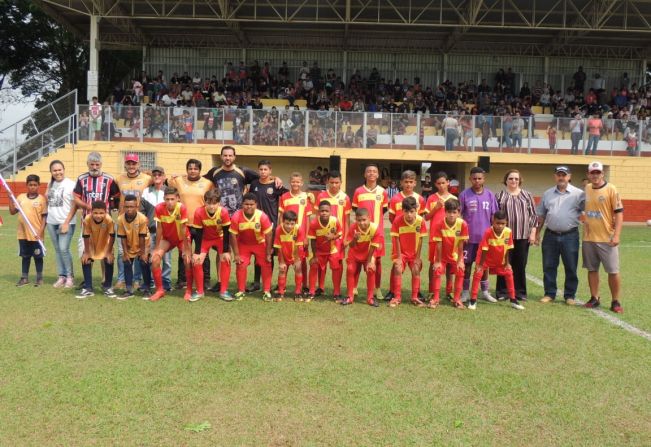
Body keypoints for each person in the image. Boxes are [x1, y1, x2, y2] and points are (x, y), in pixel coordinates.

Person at [535, 166, 585, 305]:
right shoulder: (548, 194)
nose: (561, 177)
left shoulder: (579, 193)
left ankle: (570, 295)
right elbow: (541, 215)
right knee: (549, 266)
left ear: (569, 176)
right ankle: (549, 293)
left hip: (570, 236)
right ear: (555, 177)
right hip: (550, 235)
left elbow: (588, 210)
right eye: (559, 175)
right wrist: (537, 233)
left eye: (564, 175)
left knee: (570, 266)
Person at [582, 161, 624, 313]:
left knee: (613, 271)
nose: (595, 175)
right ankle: (594, 298)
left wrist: (616, 235)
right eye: (592, 173)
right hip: (588, 238)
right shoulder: (587, 188)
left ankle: (616, 301)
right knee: (592, 270)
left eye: (597, 172)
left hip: (607, 239)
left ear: (602, 174)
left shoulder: (611, 189)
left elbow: (619, 214)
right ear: (588, 174)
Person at [168, 159, 213, 290]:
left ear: (200, 170)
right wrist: (175, 175)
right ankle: (182, 280)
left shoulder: (207, 183)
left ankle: (205, 280)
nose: (193, 171)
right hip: (184, 223)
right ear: (186, 169)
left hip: (200, 224)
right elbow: (161, 180)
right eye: (190, 168)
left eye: (195, 169)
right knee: (183, 252)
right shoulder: (178, 181)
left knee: (203, 252)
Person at [468, 210, 525, 311]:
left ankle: (513, 300)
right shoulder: (488, 232)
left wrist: (507, 263)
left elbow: (508, 248)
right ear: (493, 221)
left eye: (502, 223)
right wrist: (480, 265)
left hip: (499, 257)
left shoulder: (508, 232)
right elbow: (484, 249)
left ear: (506, 222)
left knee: (509, 272)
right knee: (478, 274)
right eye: (497, 223)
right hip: (484, 257)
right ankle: (473, 300)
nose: (500, 226)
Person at [495, 170, 537, 301]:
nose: (513, 181)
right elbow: (496, 216)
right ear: (506, 180)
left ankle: (520, 292)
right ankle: (502, 292)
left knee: (520, 265)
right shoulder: (500, 195)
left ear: (520, 180)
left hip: (523, 236)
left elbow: (533, 215)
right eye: (511, 178)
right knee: (503, 264)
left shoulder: (527, 195)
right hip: (505, 237)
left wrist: (533, 233)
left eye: (516, 179)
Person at [459, 167, 499, 303]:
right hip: (469, 238)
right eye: (474, 178)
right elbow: (459, 216)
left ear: (484, 179)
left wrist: (493, 234)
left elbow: (494, 216)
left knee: (484, 265)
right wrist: (462, 235)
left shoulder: (490, 195)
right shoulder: (464, 195)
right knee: (467, 264)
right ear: (470, 179)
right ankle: (465, 292)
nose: (477, 181)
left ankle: (485, 292)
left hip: (485, 239)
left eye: (479, 178)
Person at [248, 160, 288, 292]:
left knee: (269, 254)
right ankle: (256, 282)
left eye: (266, 169)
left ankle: (268, 282)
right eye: (261, 169)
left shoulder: (276, 185)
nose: (263, 172)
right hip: (256, 224)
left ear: (270, 171)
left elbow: (289, 195)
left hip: (271, 225)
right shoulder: (254, 184)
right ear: (258, 170)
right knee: (257, 254)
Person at [387, 170, 426, 301]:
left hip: (413, 237)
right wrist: (399, 228)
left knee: (416, 266)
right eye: (406, 182)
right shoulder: (395, 199)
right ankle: (392, 291)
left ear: (415, 183)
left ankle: (417, 292)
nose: (408, 184)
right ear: (401, 183)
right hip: (399, 236)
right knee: (396, 265)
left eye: (411, 182)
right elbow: (392, 218)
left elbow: (421, 219)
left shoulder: (420, 199)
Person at [115, 153, 152, 289]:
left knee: (137, 251)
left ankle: (136, 279)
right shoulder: (119, 179)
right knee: (121, 252)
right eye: (129, 163)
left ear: (139, 164)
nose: (131, 166)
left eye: (134, 163)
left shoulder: (147, 178)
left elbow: (161, 179)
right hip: (122, 220)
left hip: (139, 221)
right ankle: (121, 279)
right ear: (125, 164)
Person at [149, 187, 192, 302]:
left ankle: (188, 290)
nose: (170, 202)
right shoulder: (159, 208)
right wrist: (156, 248)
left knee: (187, 260)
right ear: (164, 198)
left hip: (181, 239)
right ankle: (160, 290)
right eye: (167, 199)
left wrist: (187, 250)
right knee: (155, 259)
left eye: (172, 199)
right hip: (167, 238)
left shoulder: (182, 208)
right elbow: (159, 229)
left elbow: (183, 229)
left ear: (177, 198)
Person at [352, 164, 389, 300]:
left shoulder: (383, 192)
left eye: (374, 171)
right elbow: (356, 210)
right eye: (369, 171)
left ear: (378, 175)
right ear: (365, 174)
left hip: (376, 233)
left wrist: (375, 224)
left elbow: (383, 210)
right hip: (361, 232)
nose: (371, 173)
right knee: (356, 260)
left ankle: (377, 289)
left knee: (377, 261)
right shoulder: (358, 191)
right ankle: (354, 287)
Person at [313, 170, 351, 297]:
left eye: (337, 182)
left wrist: (346, 237)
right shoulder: (321, 196)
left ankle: (337, 290)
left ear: (341, 182)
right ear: (327, 182)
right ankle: (321, 287)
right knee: (320, 262)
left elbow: (346, 220)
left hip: (338, 237)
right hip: (322, 236)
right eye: (331, 182)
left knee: (337, 263)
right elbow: (317, 216)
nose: (334, 185)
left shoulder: (345, 198)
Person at [229, 193, 274, 301]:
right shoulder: (236, 216)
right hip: (243, 245)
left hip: (259, 244)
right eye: (246, 204)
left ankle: (267, 291)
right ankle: (241, 291)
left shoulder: (262, 216)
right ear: (242, 204)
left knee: (267, 264)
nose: (249, 206)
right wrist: (236, 254)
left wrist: (268, 253)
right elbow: (233, 235)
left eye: (251, 204)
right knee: (240, 265)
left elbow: (269, 235)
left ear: (256, 205)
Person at [191, 189, 232, 302]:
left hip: (220, 238)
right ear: (205, 202)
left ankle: (223, 291)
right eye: (209, 203)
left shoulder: (223, 212)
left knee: (226, 259)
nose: (211, 206)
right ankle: (199, 292)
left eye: (214, 203)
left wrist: (226, 250)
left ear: (219, 203)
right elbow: (198, 233)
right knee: (197, 261)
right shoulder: (199, 212)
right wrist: (197, 252)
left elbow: (227, 232)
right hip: (205, 239)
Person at [425, 171, 457, 300]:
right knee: (434, 264)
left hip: (450, 236)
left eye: (444, 183)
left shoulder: (454, 199)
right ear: (435, 184)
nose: (441, 185)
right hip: (435, 236)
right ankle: (431, 290)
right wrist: (436, 208)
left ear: (448, 183)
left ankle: (449, 291)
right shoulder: (432, 198)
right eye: (439, 183)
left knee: (450, 264)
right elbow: (426, 217)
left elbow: (458, 217)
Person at [278, 172, 313, 293]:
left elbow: (308, 218)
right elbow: (281, 216)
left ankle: (305, 285)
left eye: (298, 182)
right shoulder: (284, 197)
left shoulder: (306, 197)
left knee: (301, 260)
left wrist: (306, 237)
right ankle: (282, 286)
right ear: (290, 182)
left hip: (300, 235)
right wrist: (279, 230)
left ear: (302, 183)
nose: (295, 184)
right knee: (285, 259)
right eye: (293, 181)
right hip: (286, 235)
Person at [430, 199, 468, 309]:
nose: (451, 215)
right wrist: (437, 261)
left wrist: (460, 260)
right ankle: (436, 299)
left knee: (460, 270)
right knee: (437, 270)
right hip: (441, 255)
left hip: (455, 255)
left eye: (454, 212)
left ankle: (457, 299)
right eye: (449, 212)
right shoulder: (439, 224)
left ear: (458, 213)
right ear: (445, 212)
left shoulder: (463, 224)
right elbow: (438, 244)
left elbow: (461, 244)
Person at [11, 174, 47, 287]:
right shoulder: (21, 197)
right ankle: (24, 278)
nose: (32, 187)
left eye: (35, 185)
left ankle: (39, 278)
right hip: (23, 234)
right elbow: (12, 212)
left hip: (36, 234)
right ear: (27, 185)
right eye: (30, 185)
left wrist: (40, 232)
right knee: (25, 256)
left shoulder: (42, 199)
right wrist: (10, 198)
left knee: (38, 257)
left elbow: (44, 218)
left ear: (38, 185)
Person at [75, 201, 117, 299]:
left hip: (105, 244)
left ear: (106, 212)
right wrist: (87, 252)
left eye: (101, 213)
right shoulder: (87, 219)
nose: (98, 215)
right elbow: (85, 235)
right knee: (85, 259)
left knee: (109, 259)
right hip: (92, 243)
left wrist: (109, 252)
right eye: (96, 213)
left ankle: (108, 287)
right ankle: (88, 288)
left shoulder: (109, 220)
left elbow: (112, 236)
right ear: (91, 212)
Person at [45, 160, 77, 288]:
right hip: (51, 222)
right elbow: (48, 200)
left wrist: (66, 222)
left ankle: (70, 277)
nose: (57, 172)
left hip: (66, 222)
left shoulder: (71, 184)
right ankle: (61, 276)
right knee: (58, 250)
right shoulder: (50, 184)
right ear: (51, 172)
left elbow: (75, 205)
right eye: (55, 170)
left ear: (64, 169)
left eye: (59, 169)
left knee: (64, 249)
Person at [140, 166, 172, 292]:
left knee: (166, 259)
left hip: (166, 232)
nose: (157, 177)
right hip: (151, 230)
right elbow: (142, 212)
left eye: (160, 174)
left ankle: (166, 282)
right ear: (152, 178)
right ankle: (152, 281)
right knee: (151, 257)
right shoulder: (146, 192)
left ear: (164, 177)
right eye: (155, 175)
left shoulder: (169, 192)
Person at [342, 208, 381, 307]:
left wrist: (369, 262)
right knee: (350, 269)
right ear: (356, 219)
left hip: (368, 253)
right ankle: (350, 297)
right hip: (354, 253)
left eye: (364, 220)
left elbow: (373, 246)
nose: (361, 223)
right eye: (359, 220)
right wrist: (354, 239)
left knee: (371, 269)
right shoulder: (353, 228)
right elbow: (350, 246)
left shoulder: (375, 228)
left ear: (369, 218)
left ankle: (370, 298)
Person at [116, 194, 151, 300]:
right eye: (127, 207)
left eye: (132, 207)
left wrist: (142, 252)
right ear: (123, 206)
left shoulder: (142, 218)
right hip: (129, 243)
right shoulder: (120, 219)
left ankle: (147, 289)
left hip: (143, 243)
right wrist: (125, 253)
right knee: (126, 262)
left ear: (137, 207)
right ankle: (128, 290)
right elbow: (122, 237)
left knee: (143, 262)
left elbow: (142, 236)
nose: (129, 209)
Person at [307, 201, 343, 301]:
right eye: (322, 211)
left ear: (330, 212)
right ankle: (311, 291)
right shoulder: (314, 223)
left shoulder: (335, 221)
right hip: (319, 251)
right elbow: (313, 240)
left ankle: (336, 292)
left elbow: (339, 233)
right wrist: (314, 256)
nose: (324, 213)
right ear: (318, 212)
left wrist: (333, 236)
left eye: (326, 211)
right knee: (314, 265)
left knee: (336, 268)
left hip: (332, 250)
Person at [274, 210, 306, 301]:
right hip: (283, 255)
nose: (289, 226)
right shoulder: (279, 229)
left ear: (295, 223)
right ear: (283, 221)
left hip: (296, 254)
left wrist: (296, 260)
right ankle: (280, 292)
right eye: (287, 223)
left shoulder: (299, 229)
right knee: (282, 270)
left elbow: (298, 246)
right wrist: (282, 262)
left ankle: (298, 292)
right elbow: (279, 247)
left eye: (292, 224)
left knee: (298, 270)